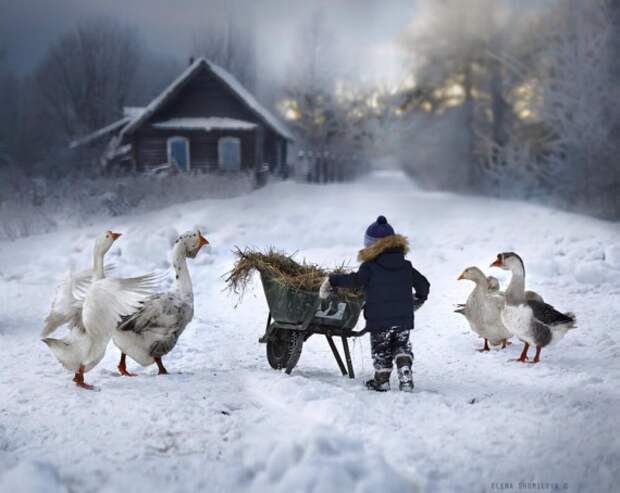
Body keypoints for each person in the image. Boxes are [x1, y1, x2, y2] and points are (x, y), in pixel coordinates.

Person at [319, 215, 430, 392]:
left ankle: (381, 381)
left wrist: (333, 280)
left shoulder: (369, 267)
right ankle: (404, 368)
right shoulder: (406, 265)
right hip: (403, 319)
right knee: (401, 345)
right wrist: (419, 299)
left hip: (379, 320)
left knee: (382, 349)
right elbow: (424, 284)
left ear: (371, 245)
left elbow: (355, 280)